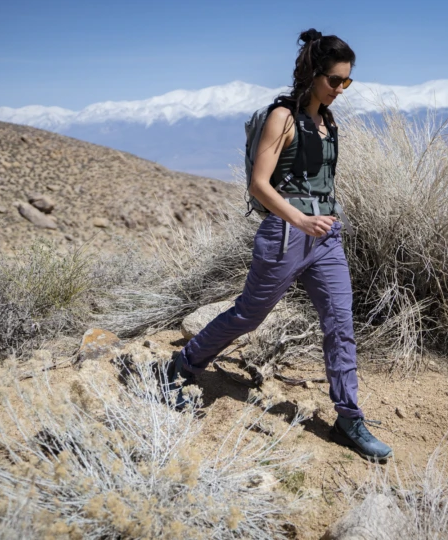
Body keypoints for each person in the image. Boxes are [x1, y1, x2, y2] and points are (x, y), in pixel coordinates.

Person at [165, 29, 393, 461]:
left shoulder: (327, 121)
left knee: (340, 326)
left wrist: (319, 222)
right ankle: (183, 365)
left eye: (348, 82)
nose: (341, 90)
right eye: (335, 81)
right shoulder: (282, 118)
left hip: (326, 236)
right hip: (287, 234)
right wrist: (300, 219)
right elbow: (259, 184)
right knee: (248, 316)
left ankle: (349, 418)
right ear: (313, 74)